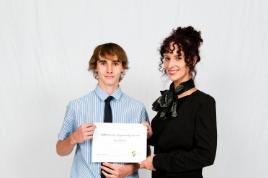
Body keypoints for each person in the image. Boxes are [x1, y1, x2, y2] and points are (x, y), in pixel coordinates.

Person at [56, 43, 148, 178]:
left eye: (115, 63)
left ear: (122, 67)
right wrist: (73, 138)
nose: (109, 70)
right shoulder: (76, 106)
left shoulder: (137, 108)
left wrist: (129, 169)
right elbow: (60, 150)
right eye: (103, 63)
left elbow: (146, 154)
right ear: (95, 67)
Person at [140, 26, 217, 178]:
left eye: (178, 57)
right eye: (167, 58)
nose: (170, 65)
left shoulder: (203, 102)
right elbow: (165, 141)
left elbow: (205, 155)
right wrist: (149, 135)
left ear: (192, 60)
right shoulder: (167, 100)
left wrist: (158, 162)